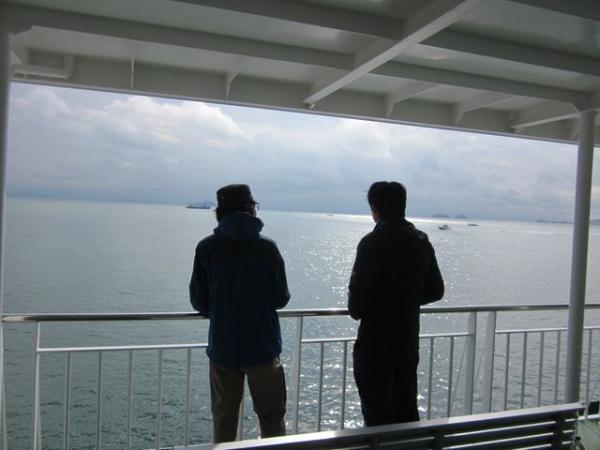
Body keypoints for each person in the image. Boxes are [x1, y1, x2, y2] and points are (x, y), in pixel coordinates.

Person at [189, 184, 290, 443]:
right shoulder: (268, 249)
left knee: (224, 419)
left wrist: (223, 310)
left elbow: (198, 300)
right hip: (264, 349)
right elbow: (281, 298)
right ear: (250, 208)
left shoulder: (207, 249)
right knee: (272, 420)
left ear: (220, 212)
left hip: (223, 348)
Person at [348, 181, 444, 426]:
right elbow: (436, 290)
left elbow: (356, 307)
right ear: (403, 206)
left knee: (377, 418)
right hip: (407, 343)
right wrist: (406, 299)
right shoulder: (420, 240)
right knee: (406, 414)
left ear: (375, 209)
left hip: (375, 344)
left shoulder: (371, 243)